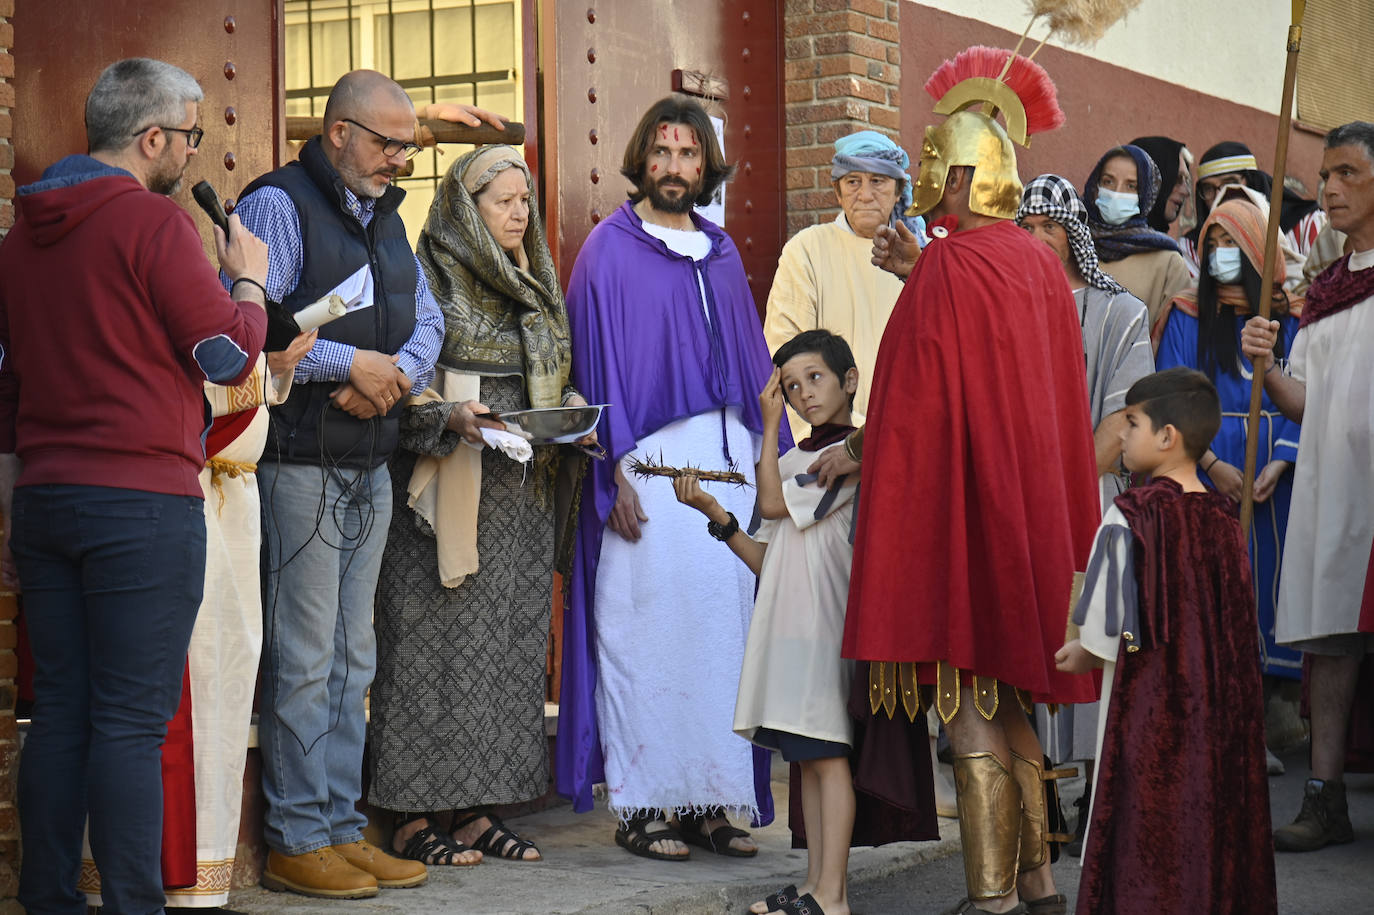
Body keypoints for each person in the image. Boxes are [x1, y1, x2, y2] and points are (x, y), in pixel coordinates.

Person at [0, 58, 269, 914]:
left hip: (45, 498)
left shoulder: (17, 237)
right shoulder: (152, 227)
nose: (194, 153)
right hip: (141, 506)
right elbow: (227, 353)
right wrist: (249, 280)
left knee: (63, 713)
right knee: (128, 722)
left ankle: (46, 898)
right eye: (191, 136)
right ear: (153, 138)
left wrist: (10, 508)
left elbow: (7, 391)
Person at [835, 49, 1100, 915]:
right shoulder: (1035, 267)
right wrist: (925, 269)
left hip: (964, 526)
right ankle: (1040, 882)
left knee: (968, 713)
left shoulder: (953, 268)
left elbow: (921, 410)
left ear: (958, 174)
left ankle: (990, 899)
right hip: (1025, 526)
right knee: (1012, 705)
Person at [232, 70, 460, 898]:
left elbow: (429, 317)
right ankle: (295, 835)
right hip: (300, 463)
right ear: (337, 133)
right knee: (303, 655)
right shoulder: (277, 205)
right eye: (386, 142)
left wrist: (392, 371)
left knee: (352, 655)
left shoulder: (389, 219)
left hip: (370, 458)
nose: (400, 158)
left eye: (407, 145)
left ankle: (335, 825)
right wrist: (347, 365)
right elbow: (253, 329)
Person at [556, 95, 780, 861]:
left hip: (726, 478)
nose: (675, 167)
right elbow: (588, 371)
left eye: (689, 154)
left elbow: (755, 370)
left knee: (720, 638)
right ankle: (645, 805)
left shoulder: (721, 252)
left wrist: (764, 467)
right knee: (645, 635)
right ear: (642, 159)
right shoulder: (606, 252)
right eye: (663, 152)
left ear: (705, 164)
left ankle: (712, 798)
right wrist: (610, 471)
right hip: (644, 477)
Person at [368, 145, 593, 866]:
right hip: (444, 492)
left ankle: (474, 809)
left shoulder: (536, 280)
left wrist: (569, 416)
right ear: (468, 208)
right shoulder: (423, 271)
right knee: (428, 652)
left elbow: (552, 375)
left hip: (518, 499)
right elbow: (399, 387)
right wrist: (450, 417)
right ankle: (408, 815)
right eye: (503, 200)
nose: (520, 212)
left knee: (505, 654)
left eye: (525, 199)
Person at [1055, 367, 1276, 915]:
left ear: (1166, 436)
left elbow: (1106, 627)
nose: (1122, 436)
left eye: (1131, 423)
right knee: (1210, 828)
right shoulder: (1226, 520)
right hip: (1218, 719)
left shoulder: (1130, 513)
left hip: (1150, 716)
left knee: (1148, 831)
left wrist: (1079, 649)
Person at [674, 329, 860, 915]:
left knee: (828, 757)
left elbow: (777, 506)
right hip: (788, 629)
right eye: (791, 385)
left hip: (823, 626)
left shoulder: (847, 456)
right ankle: (813, 884)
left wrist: (769, 422)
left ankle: (833, 895)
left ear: (849, 380)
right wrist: (714, 512)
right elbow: (765, 556)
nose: (804, 394)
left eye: (815, 379)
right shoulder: (794, 462)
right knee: (806, 758)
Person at [1241, 121, 1374, 853]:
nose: (1329, 188)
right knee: (1332, 640)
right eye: (1327, 174)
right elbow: (1304, 402)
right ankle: (1323, 798)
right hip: (1335, 491)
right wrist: (1265, 366)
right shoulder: (1323, 291)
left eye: (1349, 173)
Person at [1015, 174, 1154, 854]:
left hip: (1094, 502)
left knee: (1098, 644)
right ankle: (1039, 803)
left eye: (1048, 225)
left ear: (1072, 233)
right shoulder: (1007, 307)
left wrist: (1064, 484)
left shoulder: (1119, 310)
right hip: (1023, 506)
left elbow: (1125, 417)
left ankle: (1105, 801)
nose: (1036, 237)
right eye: (1026, 225)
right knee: (1033, 644)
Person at [1154, 197, 1303, 689]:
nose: (1220, 254)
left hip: (1274, 475)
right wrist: (1211, 463)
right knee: (1213, 589)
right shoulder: (1186, 314)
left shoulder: (1290, 318)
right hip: (1206, 466)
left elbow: (1307, 394)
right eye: (1211, 244)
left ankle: (1267, 709)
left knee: (1271, 586)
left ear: (1256, 251)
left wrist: (1281, 463)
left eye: (1232, 244)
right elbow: (1172, 391)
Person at [763, 131, 911, 442]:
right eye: (853, 181)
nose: (866, 194)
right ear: (837, 192)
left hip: (905, 443)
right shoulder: (806, 251)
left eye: (878, 181)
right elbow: (786, 357)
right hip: (827, 449)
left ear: (898, 190)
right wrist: (841, 439)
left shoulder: (918, 258)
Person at [1081, 144, 1193, 329]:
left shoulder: (1167, 263)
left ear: (1146, 194)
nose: (1117, 192)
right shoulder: (1072, 243)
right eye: (1108, 181)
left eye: (1131, 186)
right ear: (1095, 185)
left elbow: (1172, 340)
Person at [1185, 141, 1326, 273]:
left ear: (1252, 183)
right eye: (1208, 188)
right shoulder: (1192, 248)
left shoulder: (1306, 226)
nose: (1219, 196)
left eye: (1229, 183)